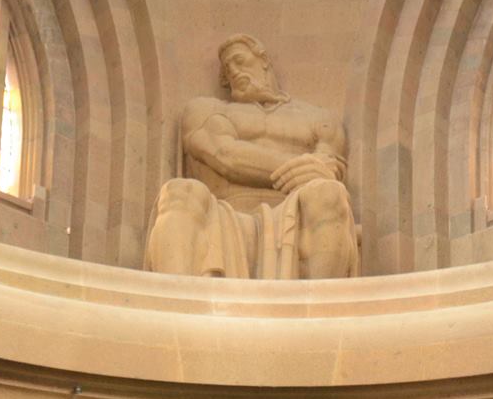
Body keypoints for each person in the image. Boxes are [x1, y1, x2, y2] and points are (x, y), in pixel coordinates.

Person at [145, 34, 359, 279]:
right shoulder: (207, 110)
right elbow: (226, 155)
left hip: (297, 216)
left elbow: (327, 172)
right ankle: (178, 306)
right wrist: (303, 167)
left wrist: (321, 174)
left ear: (264, 60)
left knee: (329, 194)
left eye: (239, 60)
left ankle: (320, 308)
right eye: (227, 69)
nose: (234, 71)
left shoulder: (319, 119)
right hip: (225, 216)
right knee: (179, 191)